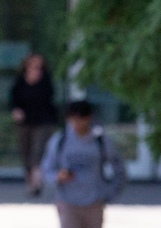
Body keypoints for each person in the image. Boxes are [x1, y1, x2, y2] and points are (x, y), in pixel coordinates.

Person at [40, 99, 126, 228]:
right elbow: (46, 168)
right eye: (72, 120)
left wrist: (110, 193)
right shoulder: (60, 141)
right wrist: (57, 176)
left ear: (89, 118)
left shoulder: (100, 141)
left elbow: (119, 168)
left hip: (94, 201)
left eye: (80, 119)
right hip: (67, 201)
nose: (77, 124)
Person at [9, 52, 58, 195]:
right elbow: (13, 99)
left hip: (43, 121)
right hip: (24, 122)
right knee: (26, 153)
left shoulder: (46, 80)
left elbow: (49, 96)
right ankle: (30, 181)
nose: (37, 67)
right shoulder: (20, 80)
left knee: (38, 152)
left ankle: (36, 184)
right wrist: (16, 111)